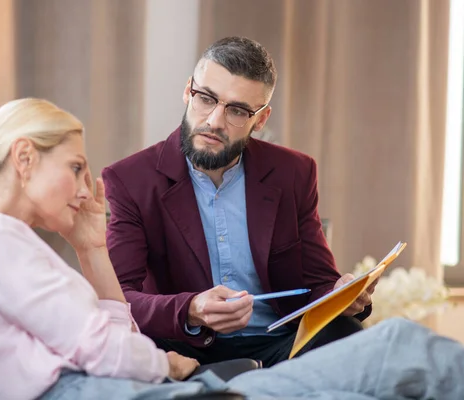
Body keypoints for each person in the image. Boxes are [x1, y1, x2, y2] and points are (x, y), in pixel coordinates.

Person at [0, 97, 464, 400]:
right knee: (396, 352)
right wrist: (169, 364)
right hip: (149, 391)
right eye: (75, 168)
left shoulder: (2, 243)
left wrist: (92, 250)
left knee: (393, 355)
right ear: (24, 159)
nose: (86, 186)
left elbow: (112, 339)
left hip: (143, 389)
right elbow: (107, 353)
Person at [102, 36, 371, 367]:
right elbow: (118, 300)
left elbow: (318, 283)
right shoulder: (131, 180)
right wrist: (191, 309)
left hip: (281, 344)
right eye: (206, 98)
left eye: (238, 110)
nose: (215, 121)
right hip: (186, 349)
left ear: (260, 119)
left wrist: (342, 293)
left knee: (348, 332)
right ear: (188, 91)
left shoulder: (293, 173)